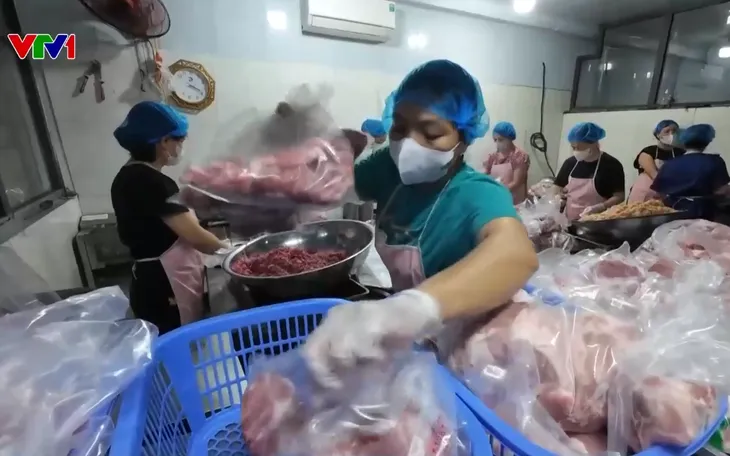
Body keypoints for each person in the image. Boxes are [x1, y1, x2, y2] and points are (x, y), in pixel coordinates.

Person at [300, 59, 539, 387]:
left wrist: (412, 309)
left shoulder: (476, 192)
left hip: (475, 346)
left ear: (464, 138)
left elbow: (517, 254)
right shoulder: (388, 170)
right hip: (421, 344)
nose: (409, 145)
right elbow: (330, 187)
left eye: (431, 133)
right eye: (399, 129)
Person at [111, 101, 227, 334]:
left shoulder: (128, 175)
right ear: (164, 141)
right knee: (177, 342)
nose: (181, 147)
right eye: (180, 140)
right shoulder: (151, 181)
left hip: (151, 280)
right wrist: (233, 252)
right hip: (165, 283)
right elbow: (197, 239)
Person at [652, 124, 730, 218]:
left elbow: (658, 194)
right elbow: (721, 191)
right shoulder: (714, 161)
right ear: (708, 141)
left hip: (673, 214)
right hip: (704, 214)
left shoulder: (669, 164)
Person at [554, 122, 625, 220]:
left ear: (593, 144)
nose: (575, 151)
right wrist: (557, 197)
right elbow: (557, 187)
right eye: (573, 147)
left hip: (598, 221)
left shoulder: (611, 165)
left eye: (578, 147)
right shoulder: (570, 163)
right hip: (570, 221)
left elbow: (619, 196)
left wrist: (601, 207)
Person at [627, 119, 684, 203]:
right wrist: (663, 188)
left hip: (671, 196)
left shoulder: (681, 153)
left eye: (674, 131)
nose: (671, 134)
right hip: (645, 194)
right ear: (658, 134)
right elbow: (653, 174)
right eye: (667, 131)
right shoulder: (648, 151)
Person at [483, 121, 529, 204]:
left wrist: (499, 191)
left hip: (514, 202)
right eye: (495, 140)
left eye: (500, 140)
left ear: (510, 139)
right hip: (497, 200)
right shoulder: (493, 157)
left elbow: (516, 183)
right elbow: (485, 176)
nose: (497, 143)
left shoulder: (519, 156)